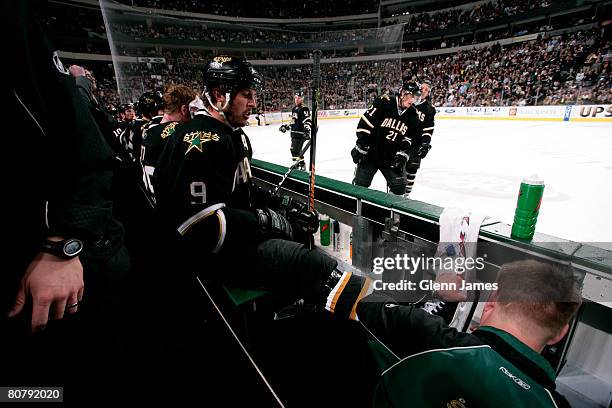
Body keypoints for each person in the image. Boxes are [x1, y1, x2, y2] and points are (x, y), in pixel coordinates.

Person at [1, 0, 129, 397]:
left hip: (52, 276)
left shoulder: (14, 29)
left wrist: (63, 244)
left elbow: (86, 150)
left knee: (40, 392)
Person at [328, 260, 580, 407]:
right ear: (560, 333)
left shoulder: (431, 338)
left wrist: (432, 290)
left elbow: (363, 303)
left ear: (491, 302)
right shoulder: (558, 404)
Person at [351, 80, 421, 196]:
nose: (412, 100)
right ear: (403, 93)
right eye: (411, 96)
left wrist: (402, 155)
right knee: (360, 185)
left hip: (391, 156)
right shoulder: (384, 102)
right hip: (371, 152)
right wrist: (362, 144)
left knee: (399, 188)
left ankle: (390, 212)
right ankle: (355, 208)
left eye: (415, 97)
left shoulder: (413, 115)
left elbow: (408, 139)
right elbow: (365, 124)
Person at [140, 84, 197, 208]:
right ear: (184, 110)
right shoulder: (178, 133)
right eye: (193, 110)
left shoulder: (149, 130)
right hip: (175, 213)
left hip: (155, 205)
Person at [405, 80, 436, 196]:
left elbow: (428, 128)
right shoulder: (408, 101)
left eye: (427, 90)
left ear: (429, 93)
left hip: (416, 142)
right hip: (402, 139)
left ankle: (406, 195)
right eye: (422, 88)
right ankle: (395, 191)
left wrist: (425, 144)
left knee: (412, 168)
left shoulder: (429, 109)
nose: (424, 91)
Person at [279, 90, 312, 171]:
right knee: (297, 151)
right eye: (296, 98)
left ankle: (299, 165)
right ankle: (300, 164)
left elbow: (307, 120)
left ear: (302, 99)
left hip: (301, 134)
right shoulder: (294, 108)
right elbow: (294, 121)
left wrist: (307, 130)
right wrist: (286, 127)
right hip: (294, 134)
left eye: (299, 98)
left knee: (294, 150)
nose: (297, 99)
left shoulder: (304, 108)